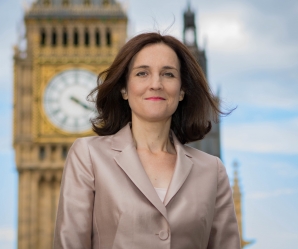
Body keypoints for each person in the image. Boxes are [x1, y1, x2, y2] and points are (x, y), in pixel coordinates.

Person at [53, 32, 240, 249]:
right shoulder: (88, 156)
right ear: (124, 88)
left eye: (168, 75)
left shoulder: (211, 171)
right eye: (142, 73)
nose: (155, 84)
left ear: (182, 91)